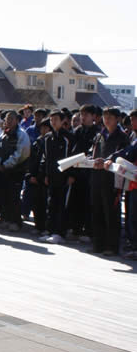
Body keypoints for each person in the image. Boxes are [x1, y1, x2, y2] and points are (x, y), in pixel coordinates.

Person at [90, 108, 129, 255]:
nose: (107, 120)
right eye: (105, 117)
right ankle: (98, 244)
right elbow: (92, 152)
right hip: (97, 177)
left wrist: (107, 160)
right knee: (97, 210)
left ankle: (111, 246)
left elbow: (124, 157)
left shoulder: (122, 137)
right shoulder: (100, 135)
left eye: (110, 117)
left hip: (113, 180)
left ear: (117, 119)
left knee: (111, 213)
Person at [39, 110, 75, 244]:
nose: (53, 122)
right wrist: (46, 174)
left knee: (62, 204)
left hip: (64, 177)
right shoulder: (48, 137)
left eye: (56, 119)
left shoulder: (68, 137)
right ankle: (50, 230)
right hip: (52, 176)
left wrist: (71, 174)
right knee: (51, 203)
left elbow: (73, 157)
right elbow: (46, 158)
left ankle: (60, 232)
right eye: (51, 119)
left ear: (62, 121)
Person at [68, 104, 100, 243]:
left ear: (94, 116)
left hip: (91, 173)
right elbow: (71, 152)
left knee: (89, 203)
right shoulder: (77, 131)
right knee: (75, 201)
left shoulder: (98, 133)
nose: (83, 117)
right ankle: (75, 229)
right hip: (76, 171)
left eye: (86, 114)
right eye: (82, 115)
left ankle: (88, 231)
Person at [0, 110, 31, 231]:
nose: (8, 121)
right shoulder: (4, 134)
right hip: (3, 171)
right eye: (6, 119)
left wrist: (5, 165)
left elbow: (20, 154)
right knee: (3, 195)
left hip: (16, 171)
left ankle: (16, 221)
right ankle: (5, 218)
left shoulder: (21, 134)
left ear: (16, 120)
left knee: (14, 196)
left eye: (11, 118)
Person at [27, 118, 52, 235]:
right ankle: (38, 225)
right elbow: (32, 160)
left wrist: (42, 176)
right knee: (36, 203)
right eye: (41, 127)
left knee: (45, 204)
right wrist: (31, 175)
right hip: (35, 176)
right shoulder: (37, 141)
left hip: (44, 177)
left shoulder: (50, 141)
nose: (43, 130)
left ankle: (45, 227)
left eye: (46, 127)